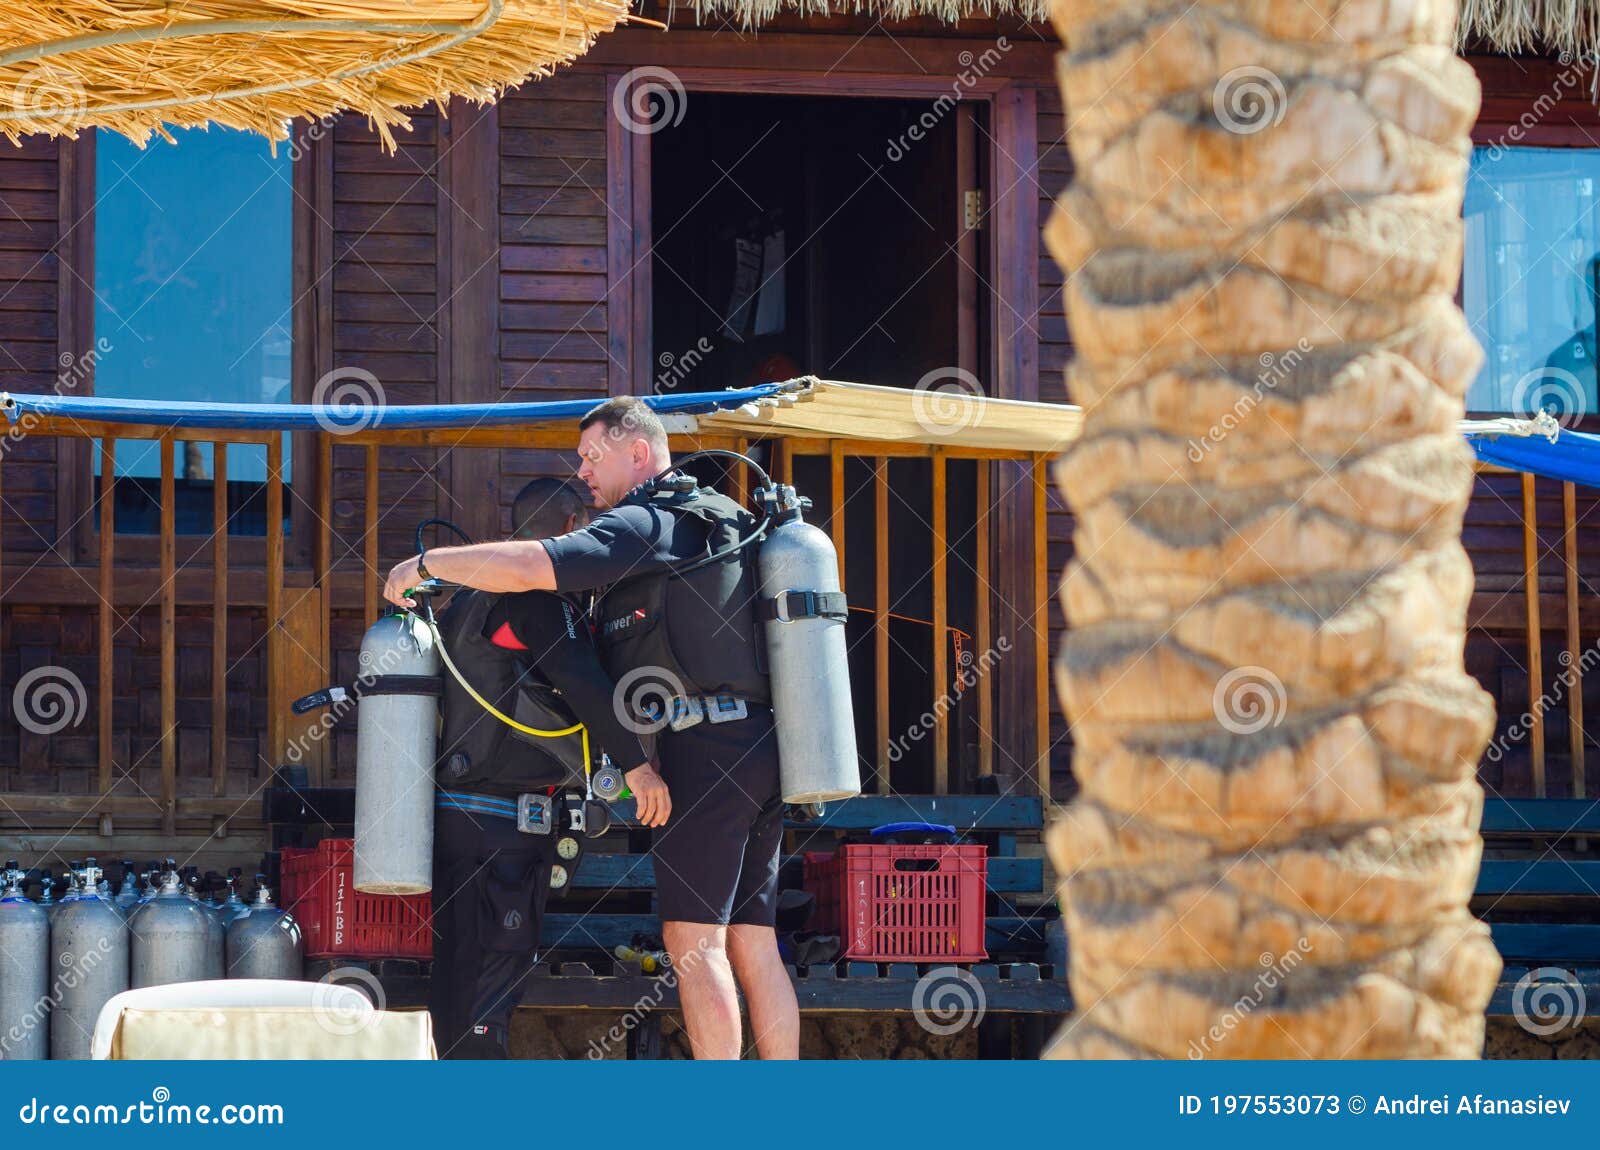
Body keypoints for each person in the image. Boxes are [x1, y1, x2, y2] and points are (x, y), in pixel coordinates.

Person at [385, 397, 799, 1060]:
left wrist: (427, 564)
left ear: (638, 452)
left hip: (701, 748)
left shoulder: (648, 521)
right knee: (753, 939)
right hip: (762, 743)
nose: (583, 472)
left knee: (694, 942)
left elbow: (534, 567)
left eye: (591, 455)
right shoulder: (723, 520)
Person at [427, 476, 653, 1060]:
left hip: (461, 820)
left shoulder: (465, 601)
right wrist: (636, 766)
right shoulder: (534, 599)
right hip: (499, 829)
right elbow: (582, 682)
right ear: (573, 530)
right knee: (486, 993)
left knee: (459, 981)